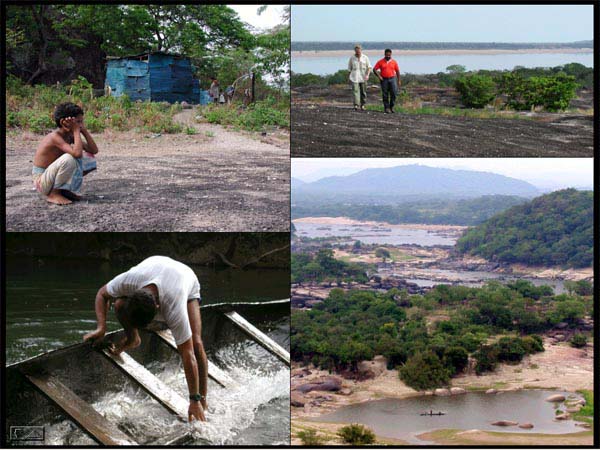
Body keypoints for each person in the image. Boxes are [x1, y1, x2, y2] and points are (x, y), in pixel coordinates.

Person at [83, 256, 208, 422]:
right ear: (132, 294)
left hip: (185, 279)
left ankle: (202, 402)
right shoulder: (128, 281)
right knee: (119, 304)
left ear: (158, 308)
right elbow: (102, 294)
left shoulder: (174, 306)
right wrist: (101, 328)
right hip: (155, 267)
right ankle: (132, 339)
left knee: (197, 344)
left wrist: (194, 399)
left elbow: (188, 354)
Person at [32, 102, 99, 205]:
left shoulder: (69, 136)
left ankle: (63, 190)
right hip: (41, 181)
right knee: (69, 158)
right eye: (78, 122)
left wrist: (84, 131)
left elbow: (93, 150)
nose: (80, 125)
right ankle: (53, 194)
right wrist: (76, 130)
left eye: (81, 122)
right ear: (64, 122)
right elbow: (76, 154)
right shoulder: (54, 137)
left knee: (89, 158)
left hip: (50, 177)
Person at [373, 49, 401, 113]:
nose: (388, 56)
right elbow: (374, 69)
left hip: (392, 78)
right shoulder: (380, 61)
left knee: (393, 93)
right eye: (387, 55)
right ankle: (386, 108)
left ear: (391, 54)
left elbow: (397, 71)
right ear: (384, 54)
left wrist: (399, 80)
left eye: (389, 55)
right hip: (384, 79)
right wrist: (379, 76)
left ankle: (391, 107)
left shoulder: (394, 62)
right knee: (385, 94)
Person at [347, 44, 371, 111]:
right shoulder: (352, 58)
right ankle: (356, 105)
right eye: (356, 50)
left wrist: (367, 75)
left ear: (361, 50)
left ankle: (363, 105)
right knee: (355, 91)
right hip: (354, 77)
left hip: (363, 77)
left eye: (359, 50)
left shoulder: (365, 57)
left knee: (363, 92)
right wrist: (348, 77)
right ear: (355, 51)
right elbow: (349, 68)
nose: (358, 52)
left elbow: (369, 67)